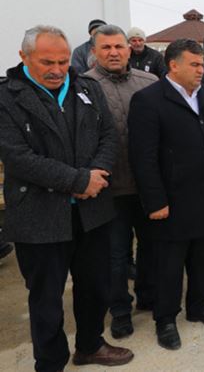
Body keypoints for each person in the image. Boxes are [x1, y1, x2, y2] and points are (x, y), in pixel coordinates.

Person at [0, 25, 133, 369]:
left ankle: (90, 345)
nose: (58, 69)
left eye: (62, 60)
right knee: (46, 297)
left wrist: (96, 175)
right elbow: (18, 157)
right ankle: (50, 360)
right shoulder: (6, 97)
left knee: (94, 286)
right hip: (39, 215)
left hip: (92, 211)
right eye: (47, 62)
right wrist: (78, 180)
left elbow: (108, 135)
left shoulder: (86, 86)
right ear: (23, 57)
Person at [128, 38, 204, 350]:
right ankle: (165, 318)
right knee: (169, 265)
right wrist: (155, 200)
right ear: (173, 65)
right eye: (194, 64)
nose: (201, 70)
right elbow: (143, 157)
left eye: (202, 64)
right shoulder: (149, 100)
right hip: (172, 201)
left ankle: (198, 306)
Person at [83, 24, 158, 339]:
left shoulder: (151, 83)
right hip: (109, 191)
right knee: (115, 256)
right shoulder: (82, 87)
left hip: (147, 187)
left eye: (119, 46)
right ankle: (120, 311)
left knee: (152, 248)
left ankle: (149, 296)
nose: (113, 52)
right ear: (94, 52)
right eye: (106, 47)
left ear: (130, 49)